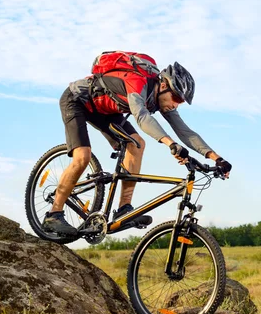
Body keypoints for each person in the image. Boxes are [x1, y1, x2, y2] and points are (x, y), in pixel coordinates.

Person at [43, 57, 232, 235]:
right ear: (164, 85)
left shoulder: (163, 100)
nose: (176, 105)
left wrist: (217, 158)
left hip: (106, 111)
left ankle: (124, 210)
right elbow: (142, 117)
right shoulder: (138, 83)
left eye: (180, 102)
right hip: (78, 101)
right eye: (176, 98)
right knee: (82, 156)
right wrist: (170, 144)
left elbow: (184, 131)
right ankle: (54, 214)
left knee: (137, 145)